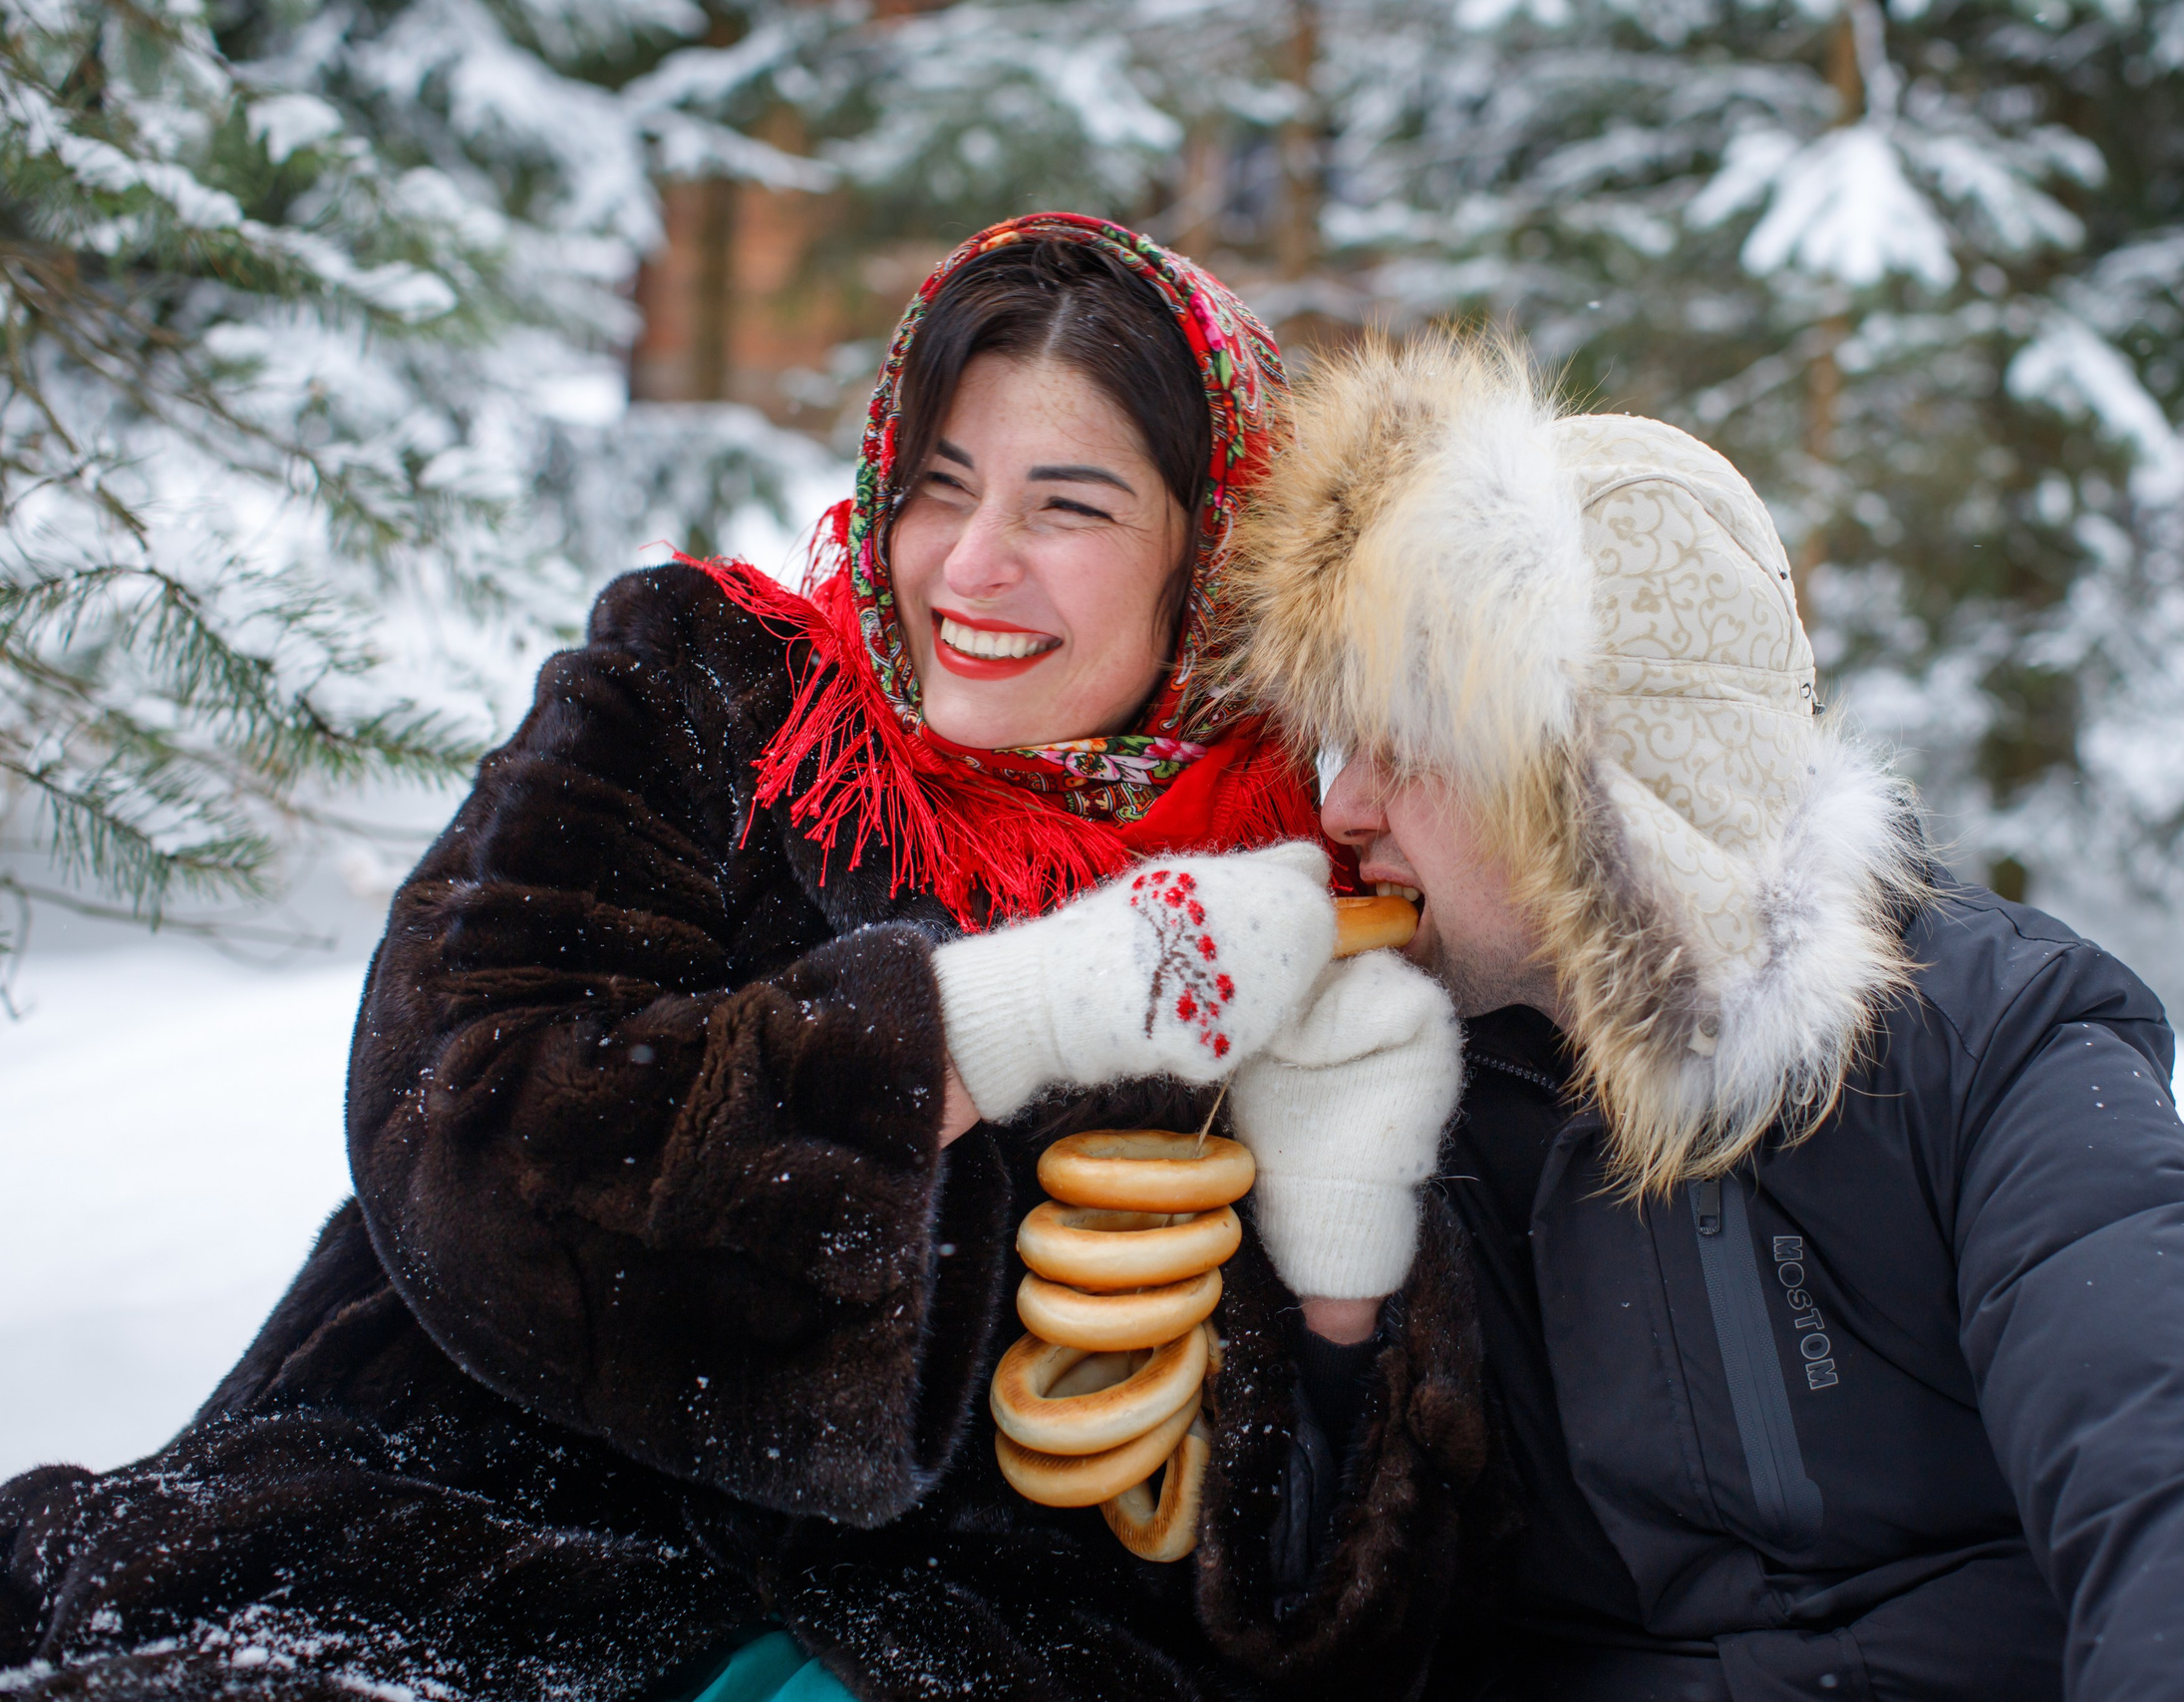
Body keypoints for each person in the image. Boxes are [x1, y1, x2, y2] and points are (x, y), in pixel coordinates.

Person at [0, 216, 1485, 1701]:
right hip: (444, 1545)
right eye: (939, 488)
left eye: (1070, 508)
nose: (970, 566)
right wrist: (994, 1024)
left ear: (1213, 558)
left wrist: (1346, 1267)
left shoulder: (1303, 908)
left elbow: (1315, 1633)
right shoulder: (706, 700)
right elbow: (464, 1119)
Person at [1221, 334, 2184, 1701]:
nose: (1346, 809)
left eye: (1412, 744)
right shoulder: (1399, 1106)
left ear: (1610, 784)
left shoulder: (1985, 1038)